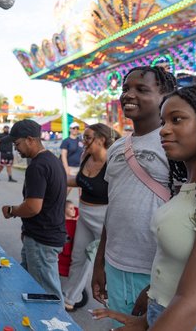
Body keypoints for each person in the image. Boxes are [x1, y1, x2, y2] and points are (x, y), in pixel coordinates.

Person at [93, 82, 196, 330]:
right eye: (163, 122)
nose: (164, 130)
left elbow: (194, 302)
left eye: (177, 119)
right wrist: (146, 318)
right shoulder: (193, 188)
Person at [91, 66, 177, 320]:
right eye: (126, 89)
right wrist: (100, 262)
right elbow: (113, 207)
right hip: (116, 264)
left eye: (141, 89)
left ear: (165, 96)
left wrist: (159, 284)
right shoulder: (117, 147)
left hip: (158, 271)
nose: (129, 95)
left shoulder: (173, 144)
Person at [2, 119, 67, 302]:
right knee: (32, 287)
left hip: (42, 239)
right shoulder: (52, 161)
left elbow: (33, 207)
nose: (16, 149)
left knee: (47, 295)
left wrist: (12, 210)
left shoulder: (37, 166)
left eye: (17, 144)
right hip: (44, 235)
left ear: (30, 139)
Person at [62, 123, 119, 312]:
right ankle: (70, 298)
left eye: (87, 138)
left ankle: (118, 305)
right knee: (79, 258)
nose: (83, 141)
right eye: (83, 137)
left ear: (101, 139)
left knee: (107, 263)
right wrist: (54, 182)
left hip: (104, 217)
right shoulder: (85, 156)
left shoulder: (113, 162)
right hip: (84, 213)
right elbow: (80, 181)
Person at [60, 122, 84, 195]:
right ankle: (61, 203)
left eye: (77, 128)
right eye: (74, 128)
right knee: (68, 188)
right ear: (70, 129)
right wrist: (66, 168)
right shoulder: (66, 141)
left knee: (82, 188)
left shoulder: (81, 141)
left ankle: (82, 205)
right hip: (70, 167)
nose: (75, 130)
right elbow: (63, 155)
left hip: (80, 168)